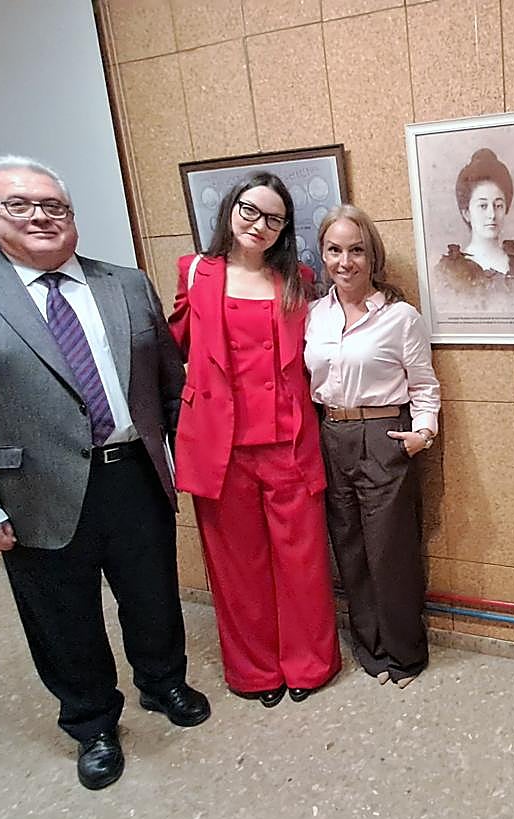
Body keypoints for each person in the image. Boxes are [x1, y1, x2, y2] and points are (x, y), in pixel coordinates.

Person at [0, 155, 209, 790]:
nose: (41, 217)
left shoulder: (126, 284)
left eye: (54, 206)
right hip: (31, 490)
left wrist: (187, 456)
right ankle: (92, 722)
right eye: (19, 205)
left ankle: (163, 683)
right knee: (62, 616)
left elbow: (169, 381)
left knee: (154, 596)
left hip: (134, 475)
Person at [169, 173, 340, 708]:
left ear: (285, 229)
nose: (259, 225)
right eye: (250, 211)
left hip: (288, 440)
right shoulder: (195, 272)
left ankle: (308, 664)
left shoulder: (297, 279)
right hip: (220, 447)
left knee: (302, 562)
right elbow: (173, 348)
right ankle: (254, 670)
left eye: (274, 219)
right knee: (235, 567)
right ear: (230, 209)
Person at [305, 205, 441, 689]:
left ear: (372, 256)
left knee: (390, 550)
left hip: (384, 434)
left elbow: (424, 385)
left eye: (356, 250)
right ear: (323, 255)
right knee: (350, 548)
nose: (345, 262)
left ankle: (405, 654)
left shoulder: (400, 317)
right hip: (331, 435)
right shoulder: (313, 316)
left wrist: (423, 434)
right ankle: (371, 648)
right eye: (334, 250)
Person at [434, 148, 514, 312]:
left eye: (498, 205)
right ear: (466, 213)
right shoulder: (447, 271)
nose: (492, 215)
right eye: (483, 206)